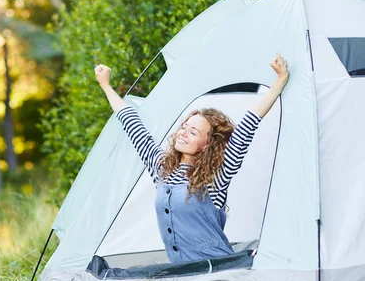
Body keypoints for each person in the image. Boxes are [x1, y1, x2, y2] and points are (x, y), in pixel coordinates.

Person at [94, 53, 289, 264]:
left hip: (218, 269)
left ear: (207, 144)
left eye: (193, 132)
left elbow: (246, 127)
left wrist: (279, 81)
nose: (183, 132)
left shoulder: (217, 175)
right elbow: (133, 125)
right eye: (184, 127)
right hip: (181, 272)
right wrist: (106, 85)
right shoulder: (162, 168)